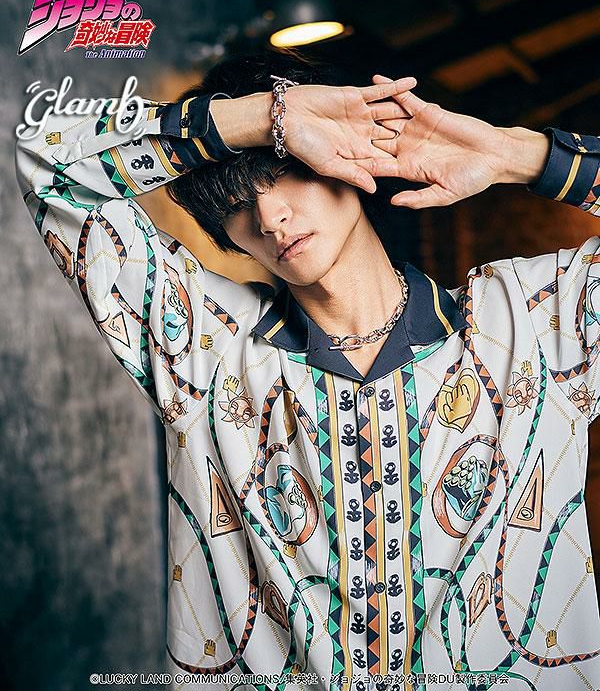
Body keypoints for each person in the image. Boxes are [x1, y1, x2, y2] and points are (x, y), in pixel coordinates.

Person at [14, 49, 600, 691]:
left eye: (285, 173)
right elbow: (47, 162)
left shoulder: (533, 325)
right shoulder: (206, 349)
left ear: (348, 154)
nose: (269, 218)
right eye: (236, 204)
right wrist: (273, 120)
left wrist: (513, 154)